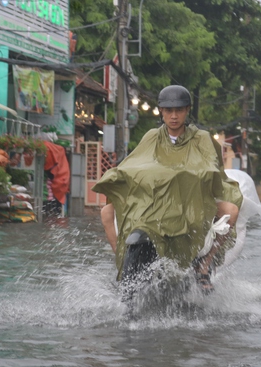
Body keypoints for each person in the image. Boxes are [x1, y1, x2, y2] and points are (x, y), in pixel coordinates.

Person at [94, 85, 242, 293]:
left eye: (179, 110)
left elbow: (210, 167)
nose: (174, 116)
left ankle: (204, 265)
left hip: (193, 200)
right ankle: (123, 266)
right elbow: (134, 164)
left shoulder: (201, 138)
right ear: (161, 111)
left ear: (187, 110)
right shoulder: (152, 137)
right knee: (107, 213)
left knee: (231, 211)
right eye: (169, 111)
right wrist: (118, 175)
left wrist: (180, 175)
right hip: (156, 200)